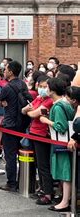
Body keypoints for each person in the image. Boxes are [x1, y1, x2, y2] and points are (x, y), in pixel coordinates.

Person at [40, 78, 75, 212]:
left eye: (47, 87)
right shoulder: (65, 103)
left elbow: (61, 126)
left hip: (61, 143)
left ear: (53, 90)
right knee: (66, 171)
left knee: (65, 172)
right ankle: (65, 199)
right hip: (66, 143)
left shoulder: (59, 106)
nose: (45, 89)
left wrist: (46, 121)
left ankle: (65, 201)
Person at [0, 60, 33, 192]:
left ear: (11, 72)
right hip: (22, 123)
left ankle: (11, 182)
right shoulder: (23, 84)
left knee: (10, 154)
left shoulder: (6, 88)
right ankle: (22, 180)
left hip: (10, 124)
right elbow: (29, 98)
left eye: (6, 69)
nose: (4, 71)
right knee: (21, 153)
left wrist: (3, 103)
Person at [22, 75, 54, 205]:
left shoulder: (49, 101)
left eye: (45, 87)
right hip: (33, 132)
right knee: (37, 164)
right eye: (40, 86)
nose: (42, 89)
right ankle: (42, 188)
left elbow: (33, 113)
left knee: (43, 165)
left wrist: (31, 111)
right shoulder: (39, 98)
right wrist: (30, 111)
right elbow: (24, 110)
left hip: (42, 134)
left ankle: (48, 193)